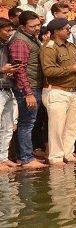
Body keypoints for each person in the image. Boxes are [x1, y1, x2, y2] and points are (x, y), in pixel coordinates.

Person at [39, 18, 76, 165]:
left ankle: (68, 153)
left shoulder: (70, 46)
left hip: (72, 90)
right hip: (56, 90)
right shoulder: (50, 47)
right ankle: (56, 157)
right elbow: (48, 70)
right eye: (65, 28)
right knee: (57, 127)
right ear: (56, 31)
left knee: (71, 126)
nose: (68, 30)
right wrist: (72, 68)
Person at [8, 11, 46, 167]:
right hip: (27, 87)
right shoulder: (20, 42)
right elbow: (20, 69)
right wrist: (28, 92)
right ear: (22, 26)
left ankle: (24, 156)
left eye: (38, 24)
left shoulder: (29, 38)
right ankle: (26, 158)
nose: (37, 28)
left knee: (29, 122)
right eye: (33, 26)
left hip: (33, 85)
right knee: (26, 123)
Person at [0, 18, 19, 171]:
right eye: (7, 30)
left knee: (7, 127)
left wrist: (10, 73)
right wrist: (2, 70)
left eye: (11, 30)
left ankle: (3, 158)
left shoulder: (6, 46)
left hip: (7, 89)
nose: (10, 33)